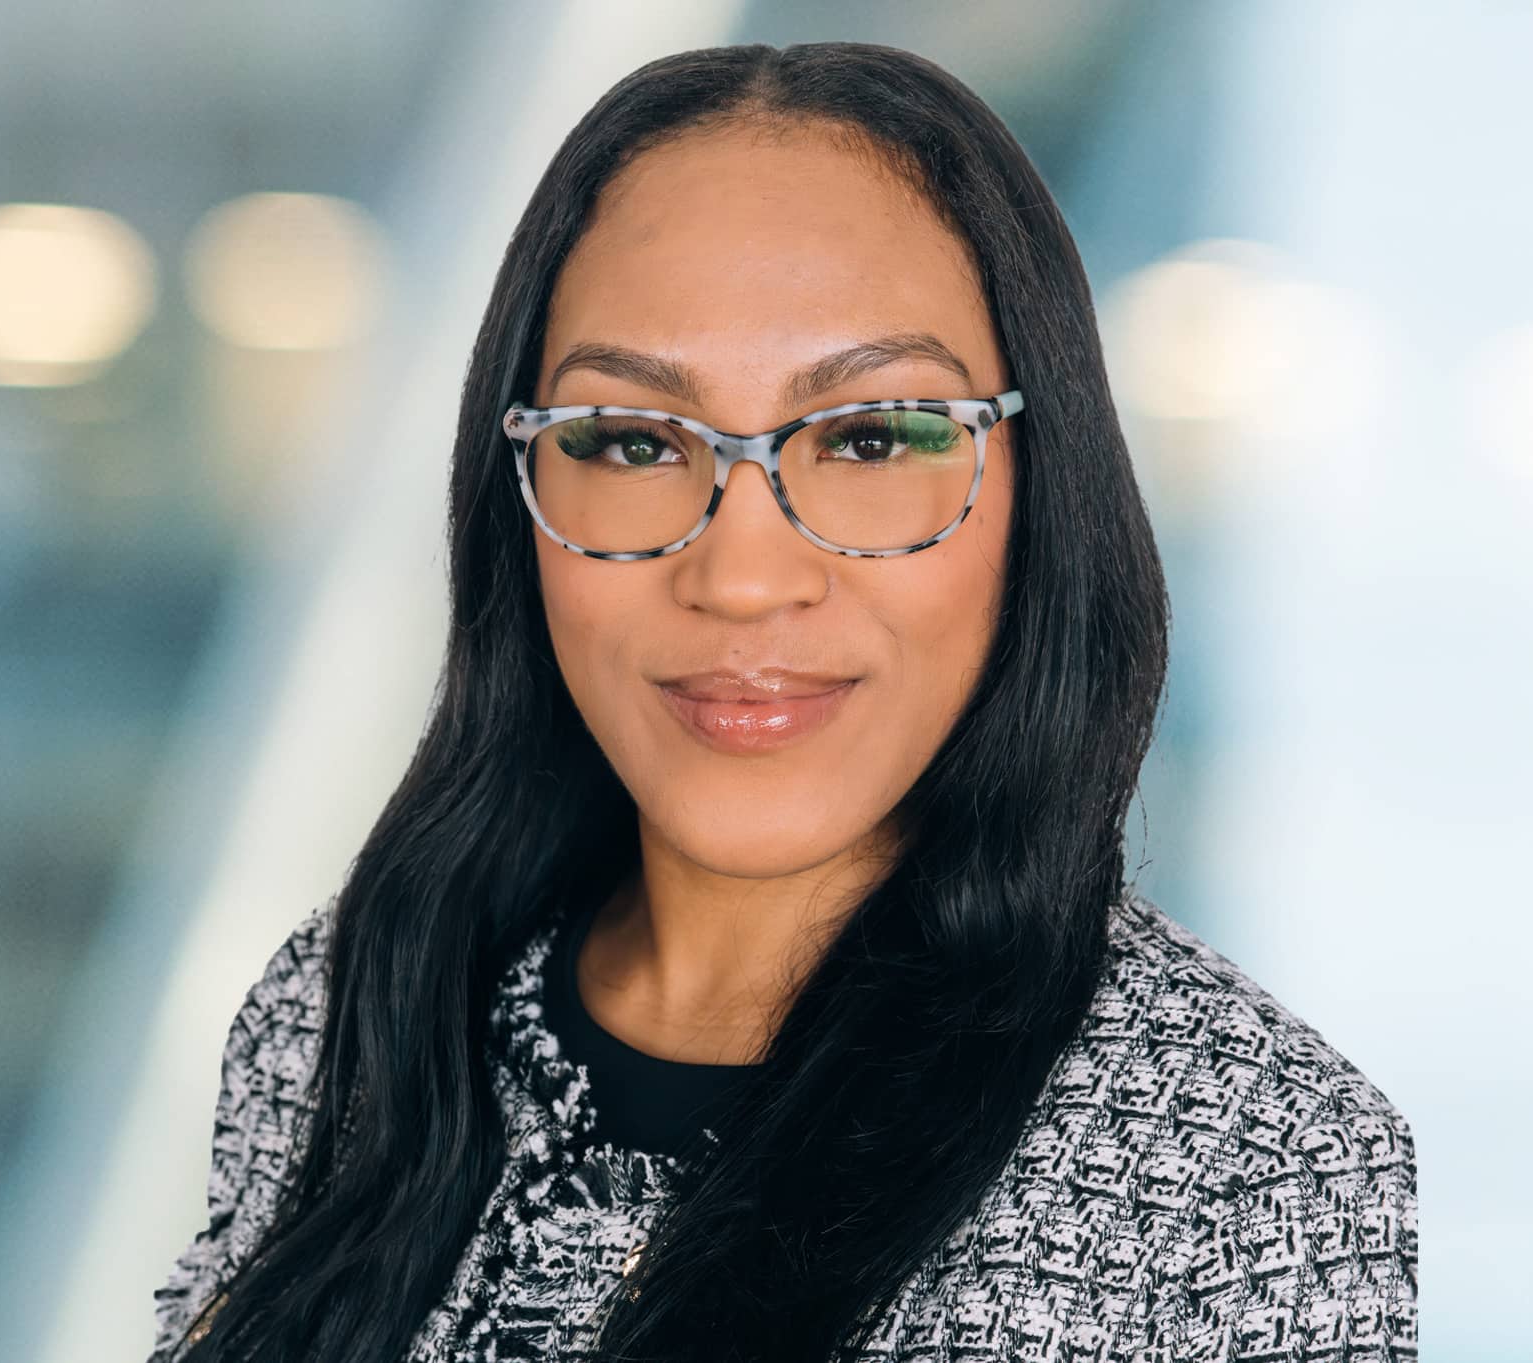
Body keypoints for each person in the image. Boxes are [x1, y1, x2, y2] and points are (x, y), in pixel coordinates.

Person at [148, 40, 1417, 1363]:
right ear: (514, 499)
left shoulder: (1252, 1161)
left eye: (872, 438)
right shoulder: (341, 1016)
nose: (742, 577)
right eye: (631, 442)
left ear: (1043, 488)